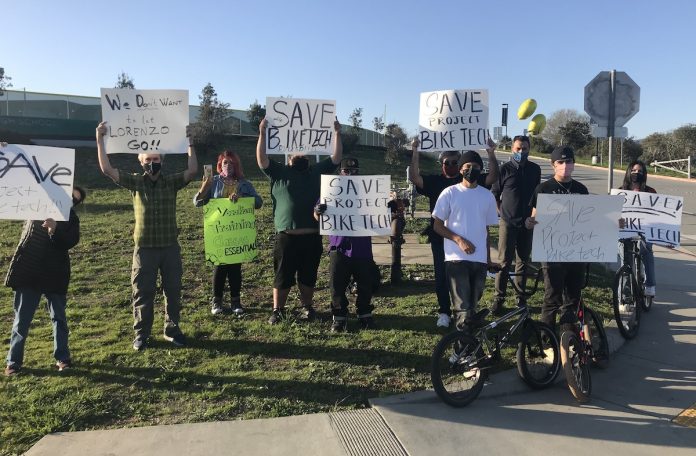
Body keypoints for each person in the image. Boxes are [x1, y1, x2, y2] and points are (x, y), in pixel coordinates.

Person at [96, 121, 198, 350]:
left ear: (162, 161)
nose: (152, 163)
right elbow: (107, 170)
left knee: (173, 290)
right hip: (144, 249)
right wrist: (99, 139)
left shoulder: (170, 182)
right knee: (142, 292)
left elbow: (192, 170)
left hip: (170, 247)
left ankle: (172, 330)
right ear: (141, 162)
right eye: (148, 160)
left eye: (156, 160)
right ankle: (141, 334)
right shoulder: (135, 182)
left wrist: (190, 141)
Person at [256, 117, 342, 324]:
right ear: (288, 158)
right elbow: (262, 160)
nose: (299, 154)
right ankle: (278, 310)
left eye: (303, 152)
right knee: (282, 275)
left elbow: (336, 158)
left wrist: (337, 133)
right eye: (295, 152)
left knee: (308, 275)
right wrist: (262, 133)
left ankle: (307, 307)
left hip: (312, 237)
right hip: (287, 237)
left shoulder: (316, 172)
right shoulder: (279, 172)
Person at [409, 138, 499, 327]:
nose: (450, 165)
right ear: (442, 164)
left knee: (470, 290)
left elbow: (492, 177)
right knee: (442, 276)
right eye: (447, 163)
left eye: (454, 162)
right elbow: (415, 178)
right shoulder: (438, 183)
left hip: (474, 250)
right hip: (443, 239)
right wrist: (415, 151)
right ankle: (445, 312)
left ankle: (466, 319)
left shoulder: (474, 184)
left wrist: (491, 153)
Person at [4, 185, 86, 376]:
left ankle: (63, 358)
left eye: (75, 200)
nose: (71, 200)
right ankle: (13, 362)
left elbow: (68, 242)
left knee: (59, 318)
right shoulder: (35, 207)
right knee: (21, 320)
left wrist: (54, 229)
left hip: (56, 273)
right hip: (29, 272)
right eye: (69, 195)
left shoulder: (71, 219)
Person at [431, 151, 499, 329]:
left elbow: (486, 229)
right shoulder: (449, 193)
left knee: (472, 307)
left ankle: (469, 346)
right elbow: (437, 225)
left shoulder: (487, 196)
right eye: (467, 167)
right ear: (461, 170)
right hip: (456, 259)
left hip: (479, 261)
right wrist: (458, 239)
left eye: (475, 167)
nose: (471, 170)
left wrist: (489, 259)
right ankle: (461, 352)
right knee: (462, 308)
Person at [525, 146, 588, 333]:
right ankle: (547, 338)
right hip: (551, 253)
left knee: (572, 298)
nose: (565, 165)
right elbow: (534, 216)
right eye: (560, 162)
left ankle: (568, 337)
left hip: (576, 252)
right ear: (553, 165)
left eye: (569, 161)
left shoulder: (581, 189)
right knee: (552, 298)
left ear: (574, 164)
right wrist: (530, 222)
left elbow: (590, 218)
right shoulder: (543, 189)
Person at [194, 150, 263, 315]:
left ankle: (235, 301)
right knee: (220, 267)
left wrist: (243, 197)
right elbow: (197, 202)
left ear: (236, 166)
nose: (229, 166)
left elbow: (259, 202)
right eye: (225, 163)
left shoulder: (244, 184)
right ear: (220, 165)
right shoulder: (213, 182)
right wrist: (204, 188)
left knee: (235, 268)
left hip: (237, 231)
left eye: (232, 163)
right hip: (219, 232)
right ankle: (216, 302)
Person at [314, 158, 376, 332]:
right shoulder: (330, 190)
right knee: (337, 284)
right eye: (346, 171)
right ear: (340, 172)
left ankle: (364, 314)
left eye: (355, 171)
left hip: (362, 246)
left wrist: (388, 207)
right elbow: (316, 214)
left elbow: (379, 212)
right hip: (338, 246)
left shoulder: (368, 191)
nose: (350, 174)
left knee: (365, 283)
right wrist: (319, 211)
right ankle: (339, 317)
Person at [490, 135, 541, 315]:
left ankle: (520, 297)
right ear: (512, 148)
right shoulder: (504, 169)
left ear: (529, 149)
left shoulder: (535, 170)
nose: (521, 152)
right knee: (504, 261)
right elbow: (495, 194)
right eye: (518, 148)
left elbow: (537, 197)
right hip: (508, 223)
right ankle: (499, 298)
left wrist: (532, 217)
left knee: (523, 261)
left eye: (525, 149)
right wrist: (501, 213)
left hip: (527, 223)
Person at [618, 160, 657, 297]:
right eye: (634, 170)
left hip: (645, 230)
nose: (636, 173)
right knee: (625, 259)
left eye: (640, 171)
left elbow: (657, 214)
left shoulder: (651, 192)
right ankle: (625, 293)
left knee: (646, 250)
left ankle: (650, 285)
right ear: (629, 172)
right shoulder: (620, 191)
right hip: (626, 231)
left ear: (644, 174)